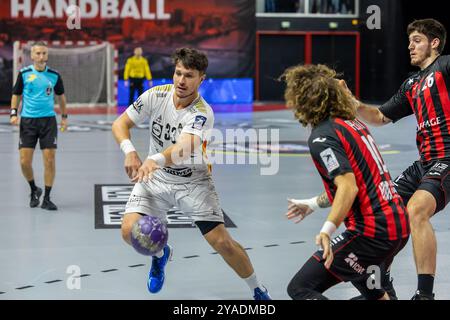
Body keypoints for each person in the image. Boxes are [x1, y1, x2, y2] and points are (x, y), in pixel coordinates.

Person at [112, 47, 271, 300]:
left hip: (193, 182)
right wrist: (129, 150)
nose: (181, 81)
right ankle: (160, 255)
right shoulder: (156, 95)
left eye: (189, 75)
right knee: (129, 231)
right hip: (156, 180)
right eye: (178, 73)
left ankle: (257, 288)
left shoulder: (202, 112)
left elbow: (185, 147)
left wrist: (154, 159)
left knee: (222, 243)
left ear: (201, 79)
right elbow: (120, 123)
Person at [282, 64, 410, 300]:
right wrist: (313, 203)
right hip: (396, 224)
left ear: (302, 101)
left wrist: (327, 229)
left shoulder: (322, 137)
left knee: (300, 288)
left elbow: (348, 187)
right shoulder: (351, 123)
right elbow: (357, 182)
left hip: (371, 233)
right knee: (373, 291)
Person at [351, 18, 449, 300]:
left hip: (448, 157)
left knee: (416, 209)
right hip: (425, 162)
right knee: (383, 211)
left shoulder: (445, 67)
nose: (410, 46)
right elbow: (380, 117)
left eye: (417, 40)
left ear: (434, 43)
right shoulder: (412, 84)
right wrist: (350, 100)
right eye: (409, 42)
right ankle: (384, 286)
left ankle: (424, 295)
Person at [10, 41, 68, 211]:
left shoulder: (54, 75)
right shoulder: (24, 74)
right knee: (24, 162)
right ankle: (34, 189)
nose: (41, 56)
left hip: (48, 122)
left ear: (47, 55)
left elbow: (61, 97)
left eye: (44, 53)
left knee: (49, 160)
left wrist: (64, 117)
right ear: (32, 56)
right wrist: (14, 113)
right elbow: (16, 94)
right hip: (28, 121)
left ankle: (47, 198)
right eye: (38, 53)